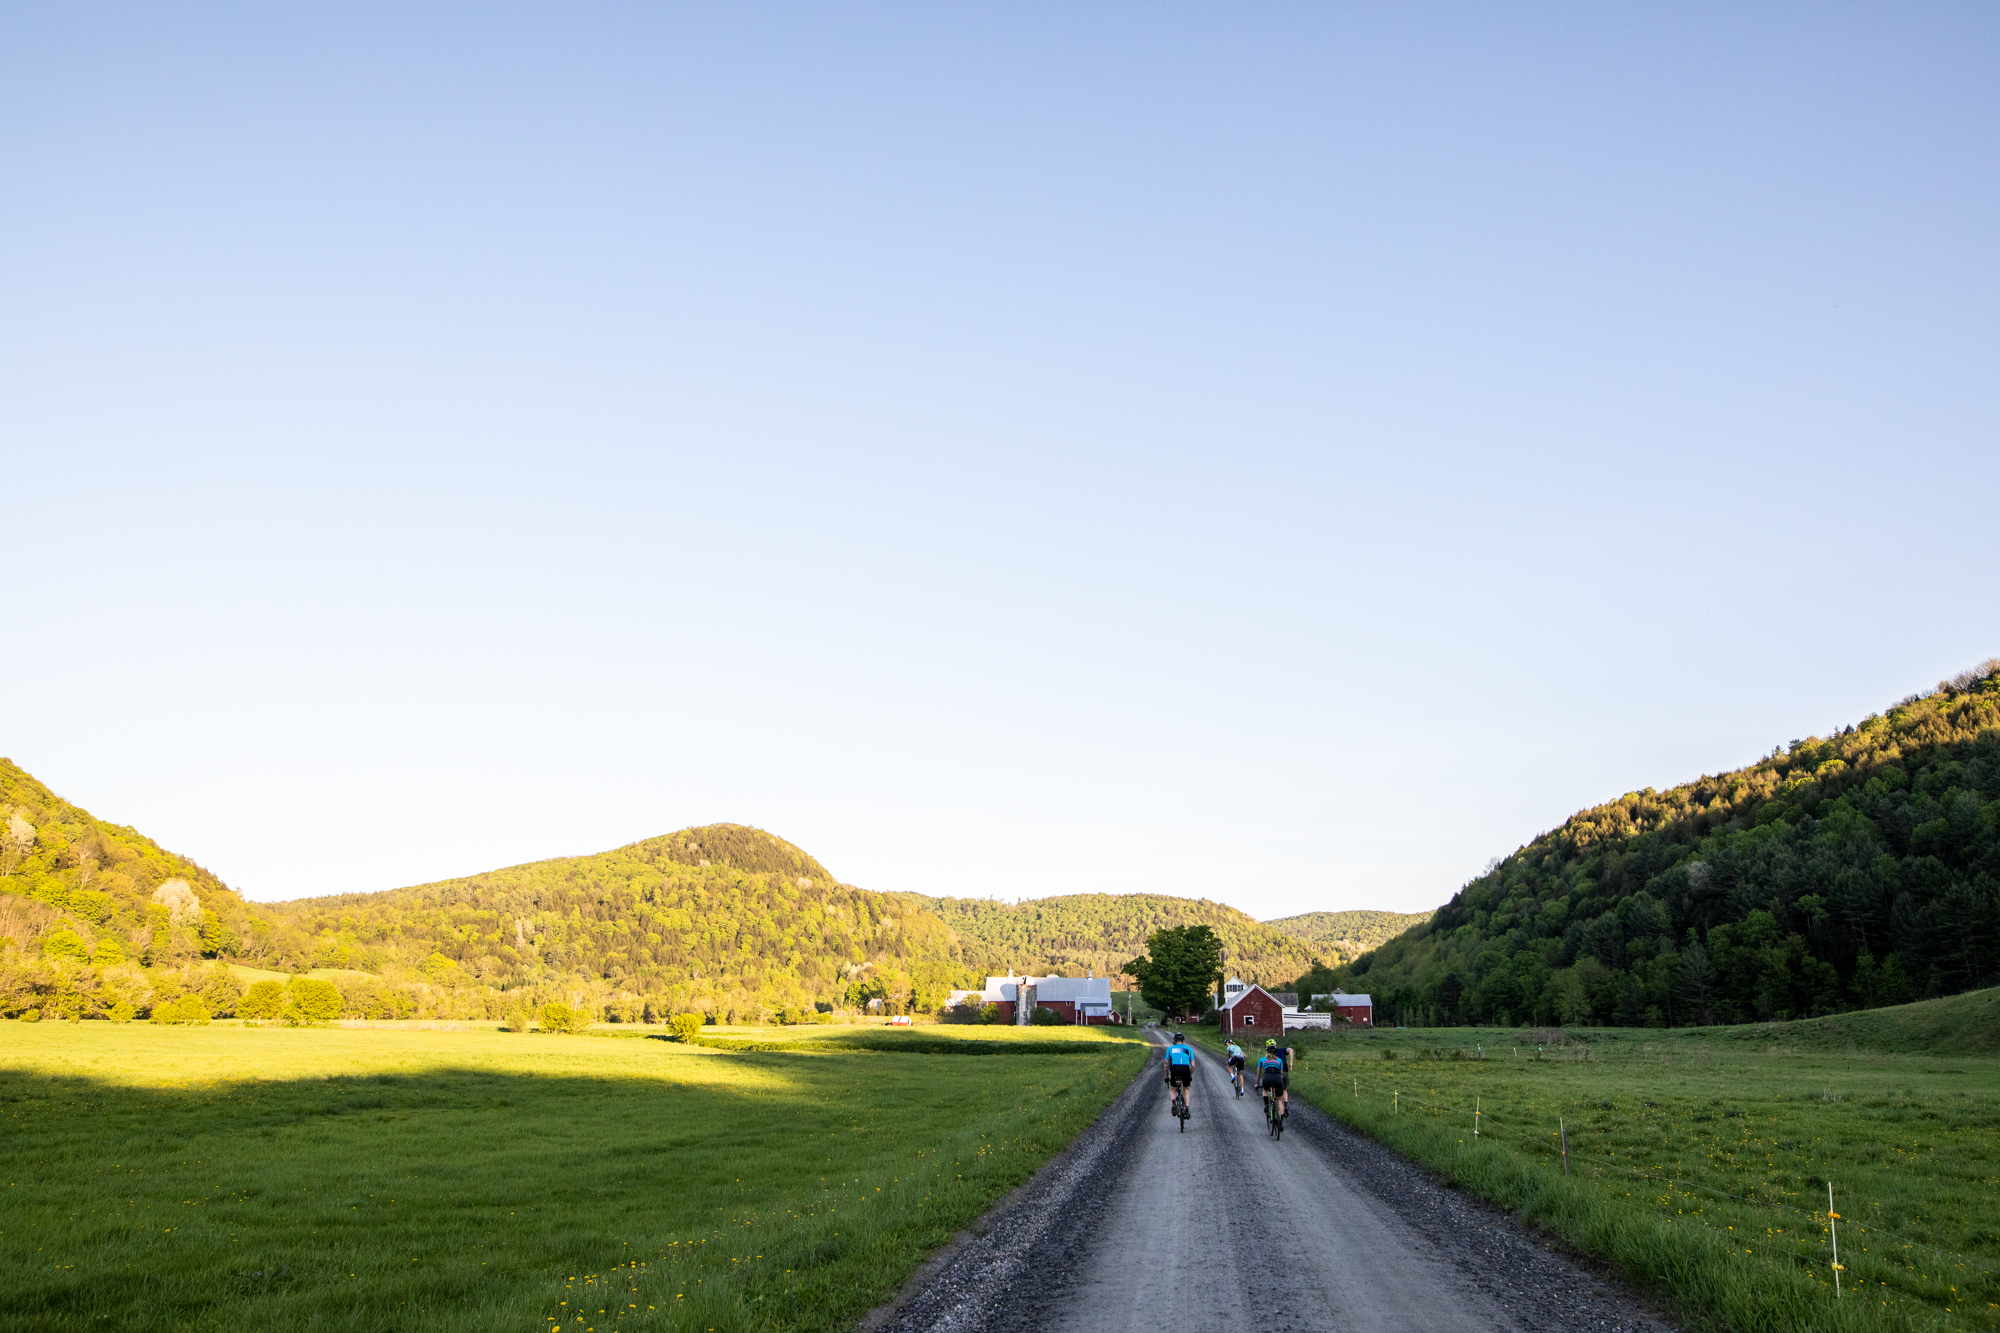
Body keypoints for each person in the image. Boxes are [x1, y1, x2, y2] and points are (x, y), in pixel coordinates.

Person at [1257, 1038, 1291, 1121]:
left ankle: (1266, 1105)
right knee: (1279, 1099)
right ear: (1276, 1052)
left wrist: (1257, 1084)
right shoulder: (1279, 1060)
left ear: (1267, 1051)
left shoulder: (1262, 1060)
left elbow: (1258, 1074)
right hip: (1278, 1078)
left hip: (1267, 1077)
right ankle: (1281, 1121)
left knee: (1265, 1090)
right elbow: (1281, 1073)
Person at [1164, 1031, 1195, 1117]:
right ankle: (1187, 1109)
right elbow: (1193, 1065)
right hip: (1185, 1069)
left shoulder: (1171, 1049)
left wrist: (1166, 1077)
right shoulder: (1188, 1049)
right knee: (1186, 1089)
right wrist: (1189, 1076)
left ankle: (1173, 1103)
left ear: (1174, 1041)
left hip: (1175, 1068)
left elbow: (1166, 1065)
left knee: (1173, 1088)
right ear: (1183, 1041)